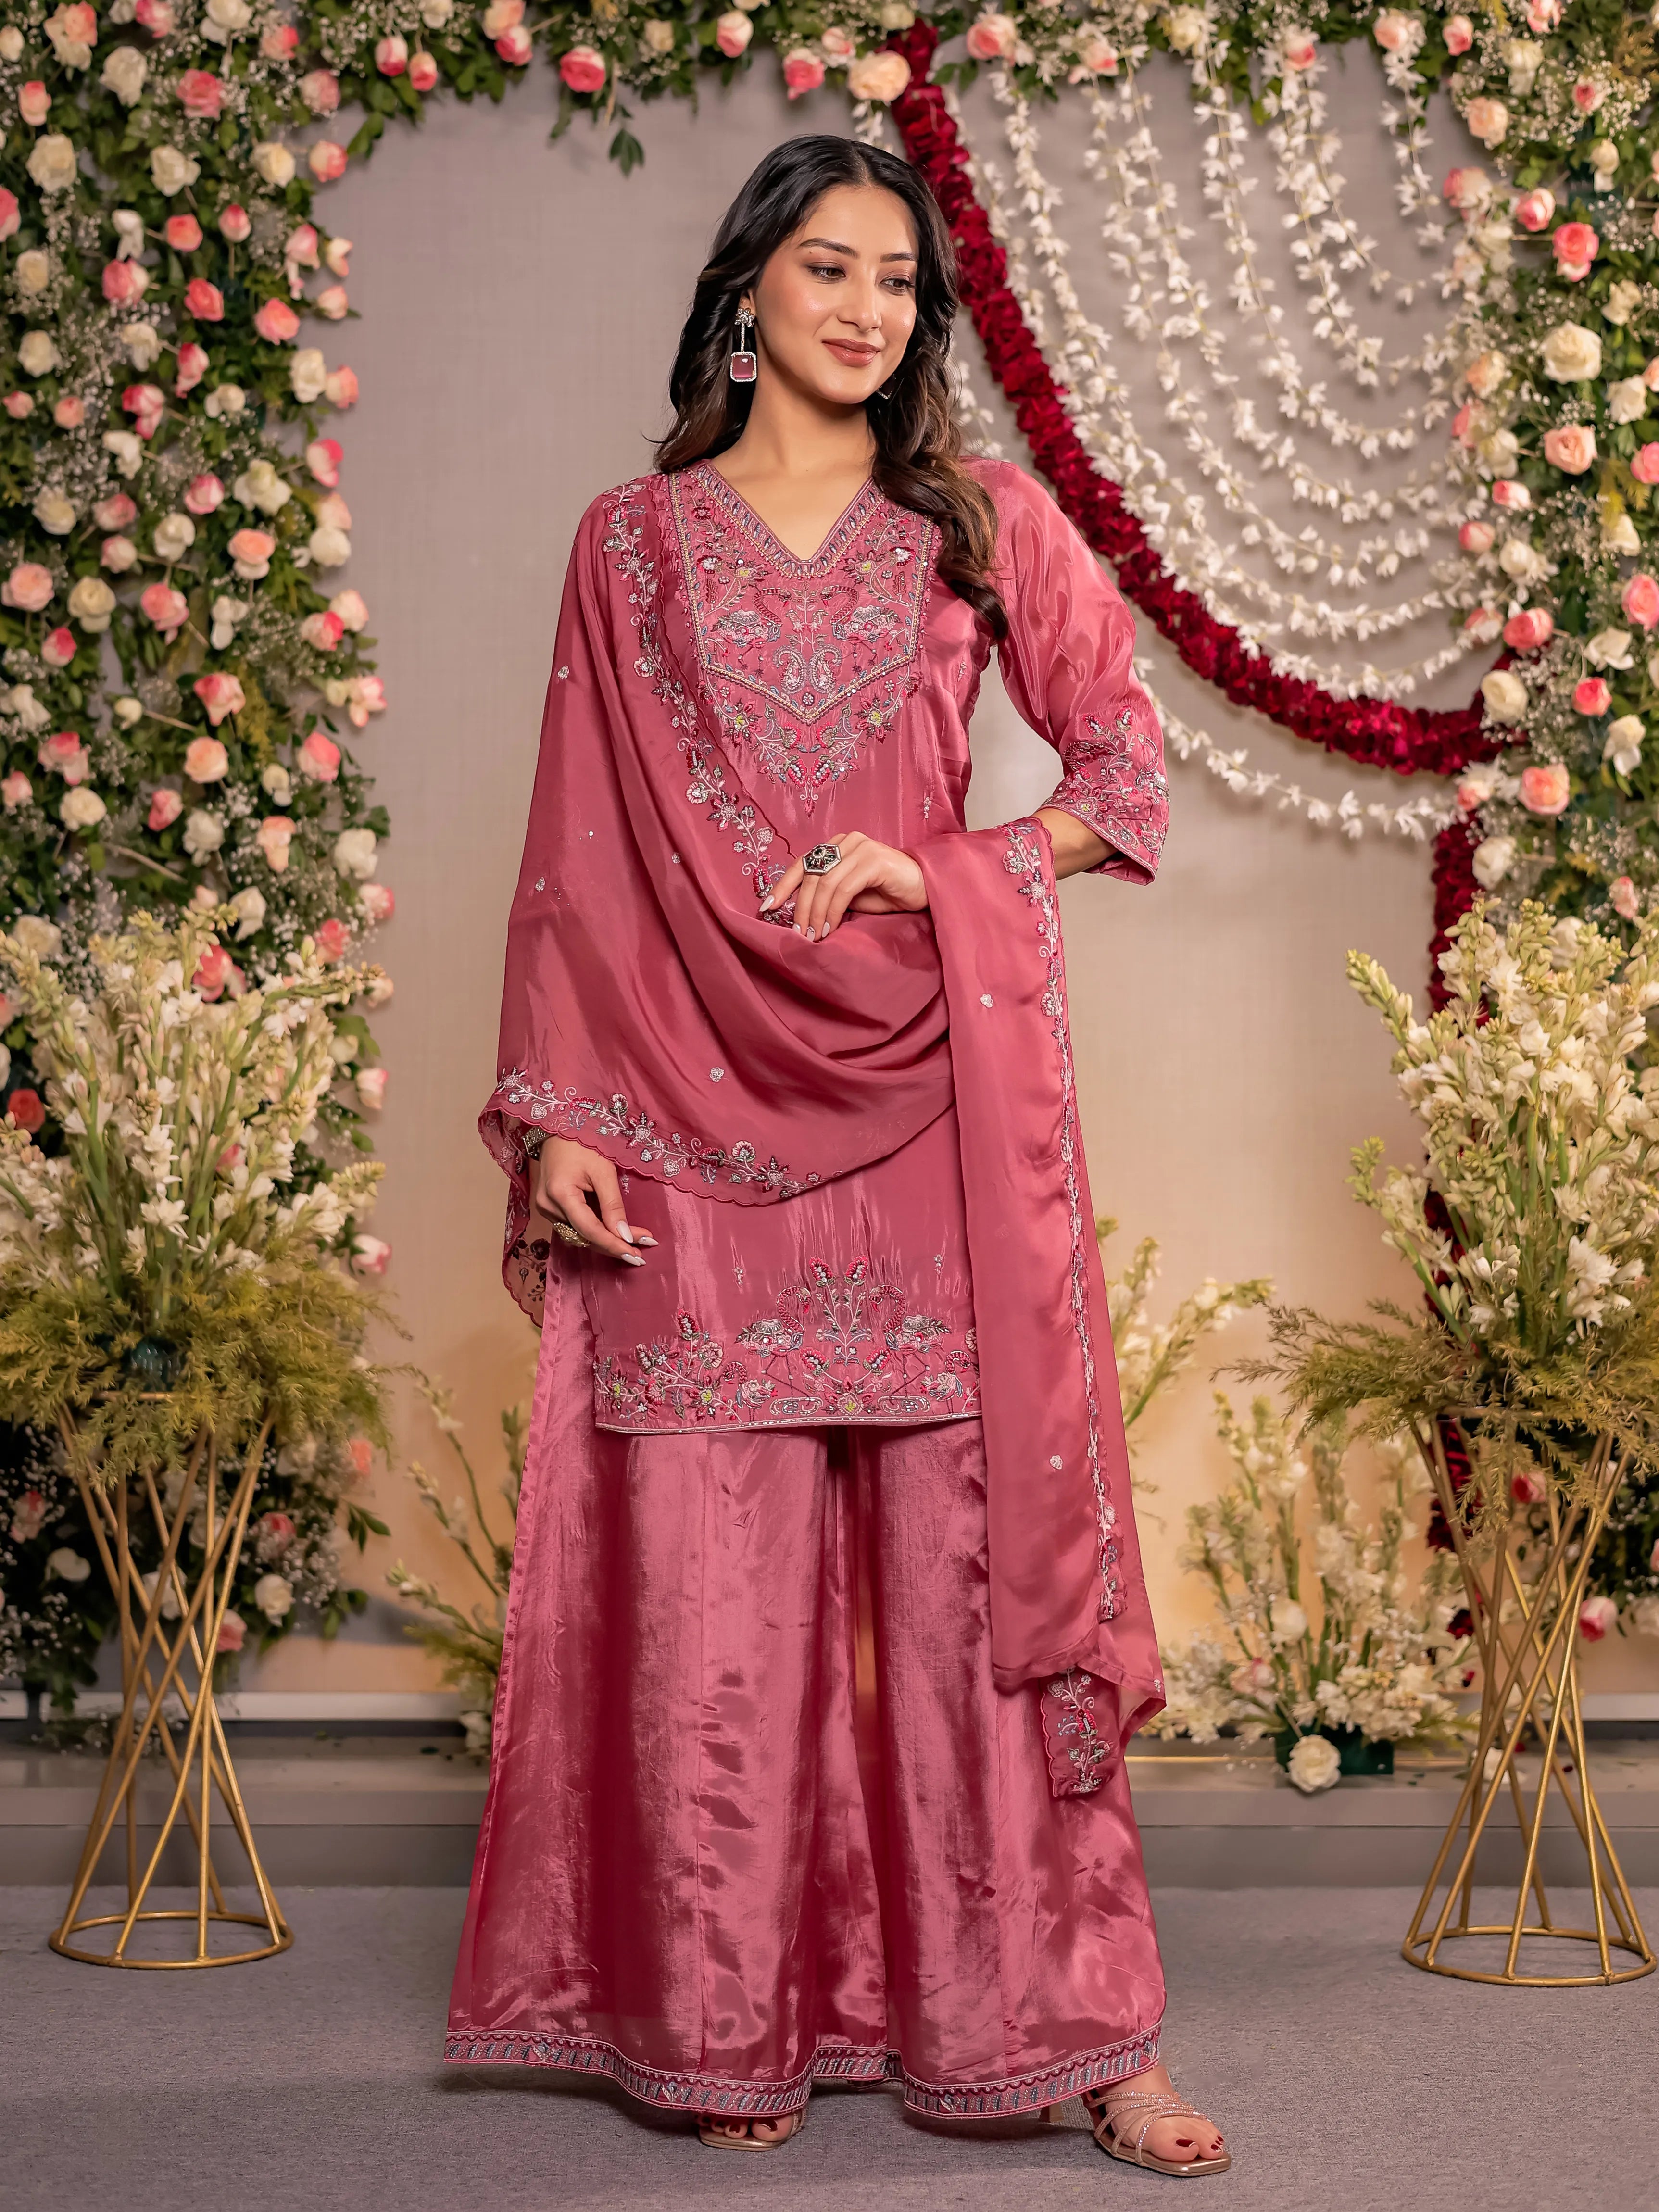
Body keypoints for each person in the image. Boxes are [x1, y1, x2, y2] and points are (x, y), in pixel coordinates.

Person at [446, 134, 1226, 2179]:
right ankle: (727, 2027)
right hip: (688, 1130)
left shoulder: (975, 527)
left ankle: (1066, 2025)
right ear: (744, 295)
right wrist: (551, 1119)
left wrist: (945, 862)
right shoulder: (627, 546)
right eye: (827, 268)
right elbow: (574, 858)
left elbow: (1124, 774)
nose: (868, 308)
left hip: (923, 1114)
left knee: (985, 1594)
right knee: (719, 1607)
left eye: (898, 279)